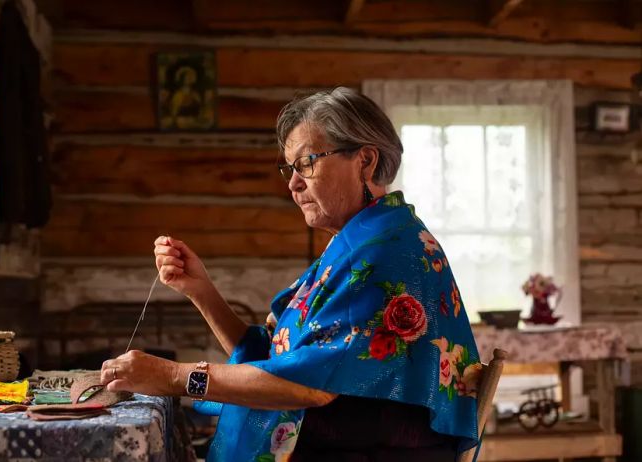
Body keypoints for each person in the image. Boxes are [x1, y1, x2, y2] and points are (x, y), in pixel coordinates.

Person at [101, 87, 481, 461]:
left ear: (364, 160)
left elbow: (307, 386)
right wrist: (200, 290)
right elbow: (273, 357)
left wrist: (172, 377)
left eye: (306, 163)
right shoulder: (368, 240)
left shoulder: (383, 254)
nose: (293, 183)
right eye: (290, 168)